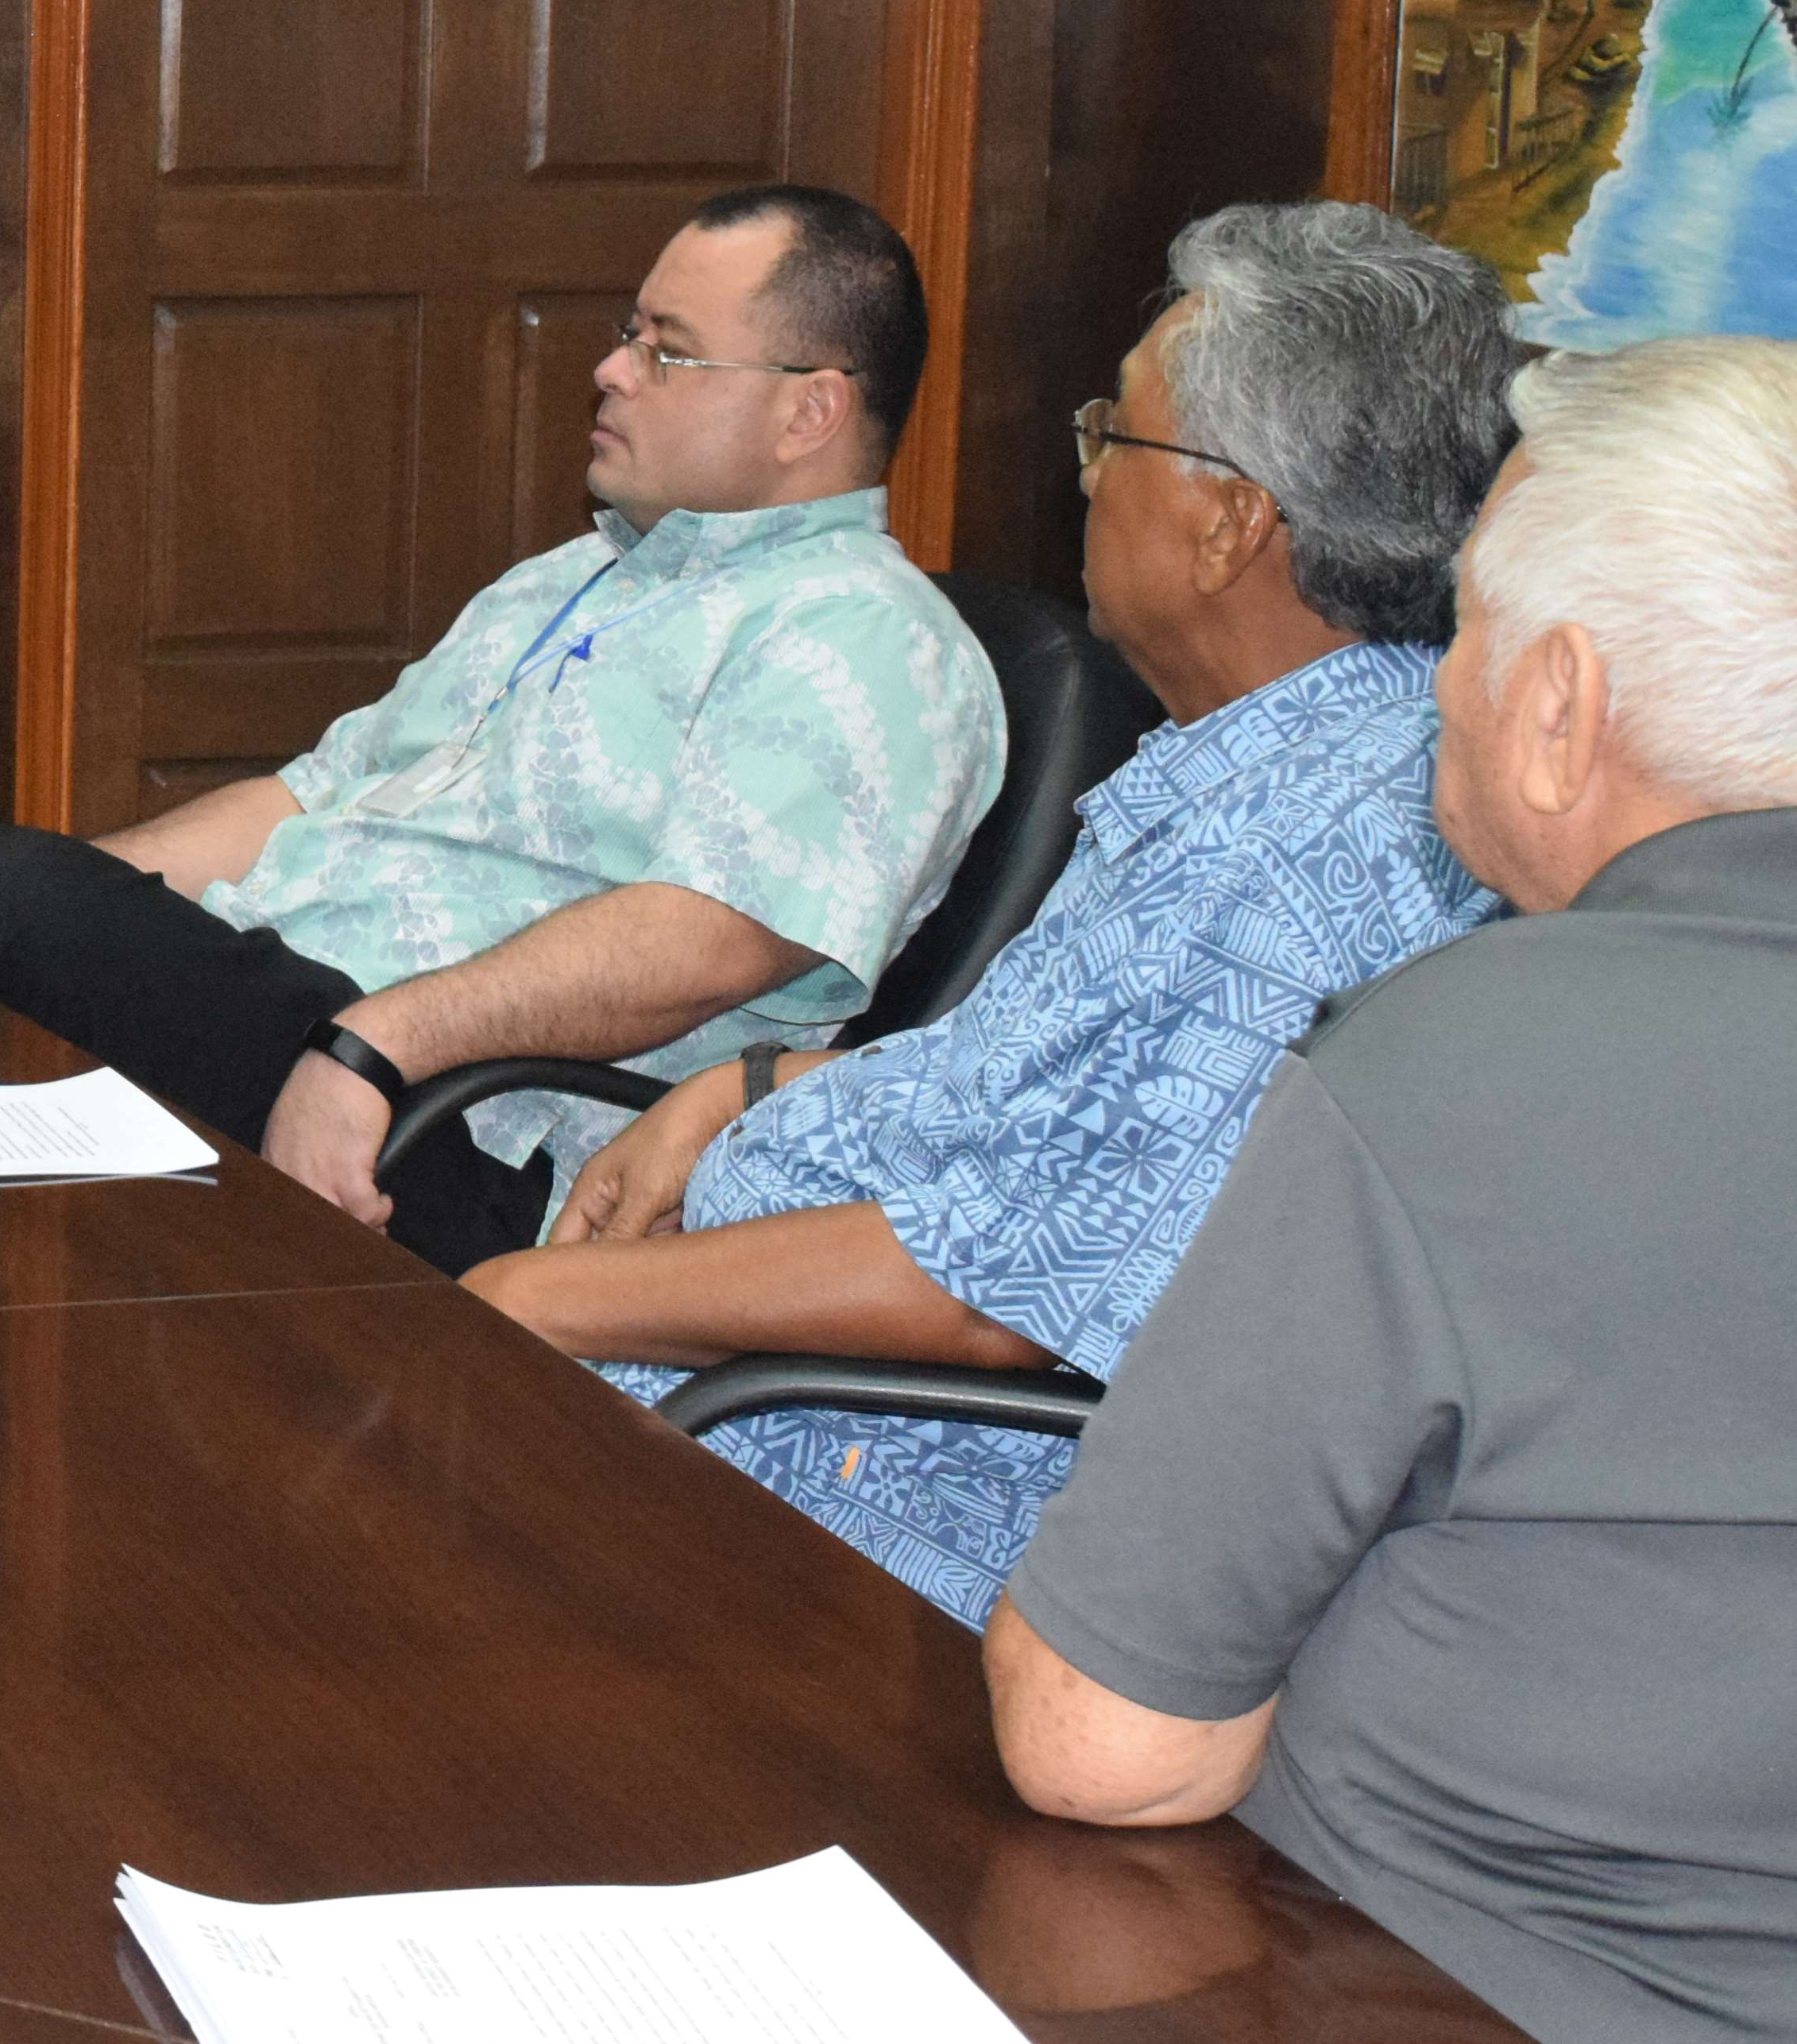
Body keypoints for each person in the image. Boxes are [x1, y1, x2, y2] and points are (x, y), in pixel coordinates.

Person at [987, 336, 1797, 2044]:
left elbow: (1106, 1743)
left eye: (1467, 636)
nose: (1434, 686)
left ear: (1560, 701)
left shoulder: (1454, 1066)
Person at [463, 203, 1517, 1620]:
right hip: (735, 1387)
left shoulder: (1304, 853)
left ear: (1229, 523)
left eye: (1114, 437)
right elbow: (1067, 1113)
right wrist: (750, 1084)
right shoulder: (1257, 766)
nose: (1085, 481)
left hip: (845, 1490)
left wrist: (535, 1306)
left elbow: (1001, 1290)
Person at [0, 188, 1001, 1274]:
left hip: (462, 1128)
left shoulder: (868, 637)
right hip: (298, 1014)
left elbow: (704, 941)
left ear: (811, 409)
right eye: (626, 333)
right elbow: (308, 799)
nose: (610, 370)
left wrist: (368, 1046)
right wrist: (73, 913)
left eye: (667, 349)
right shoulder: (580, 575)